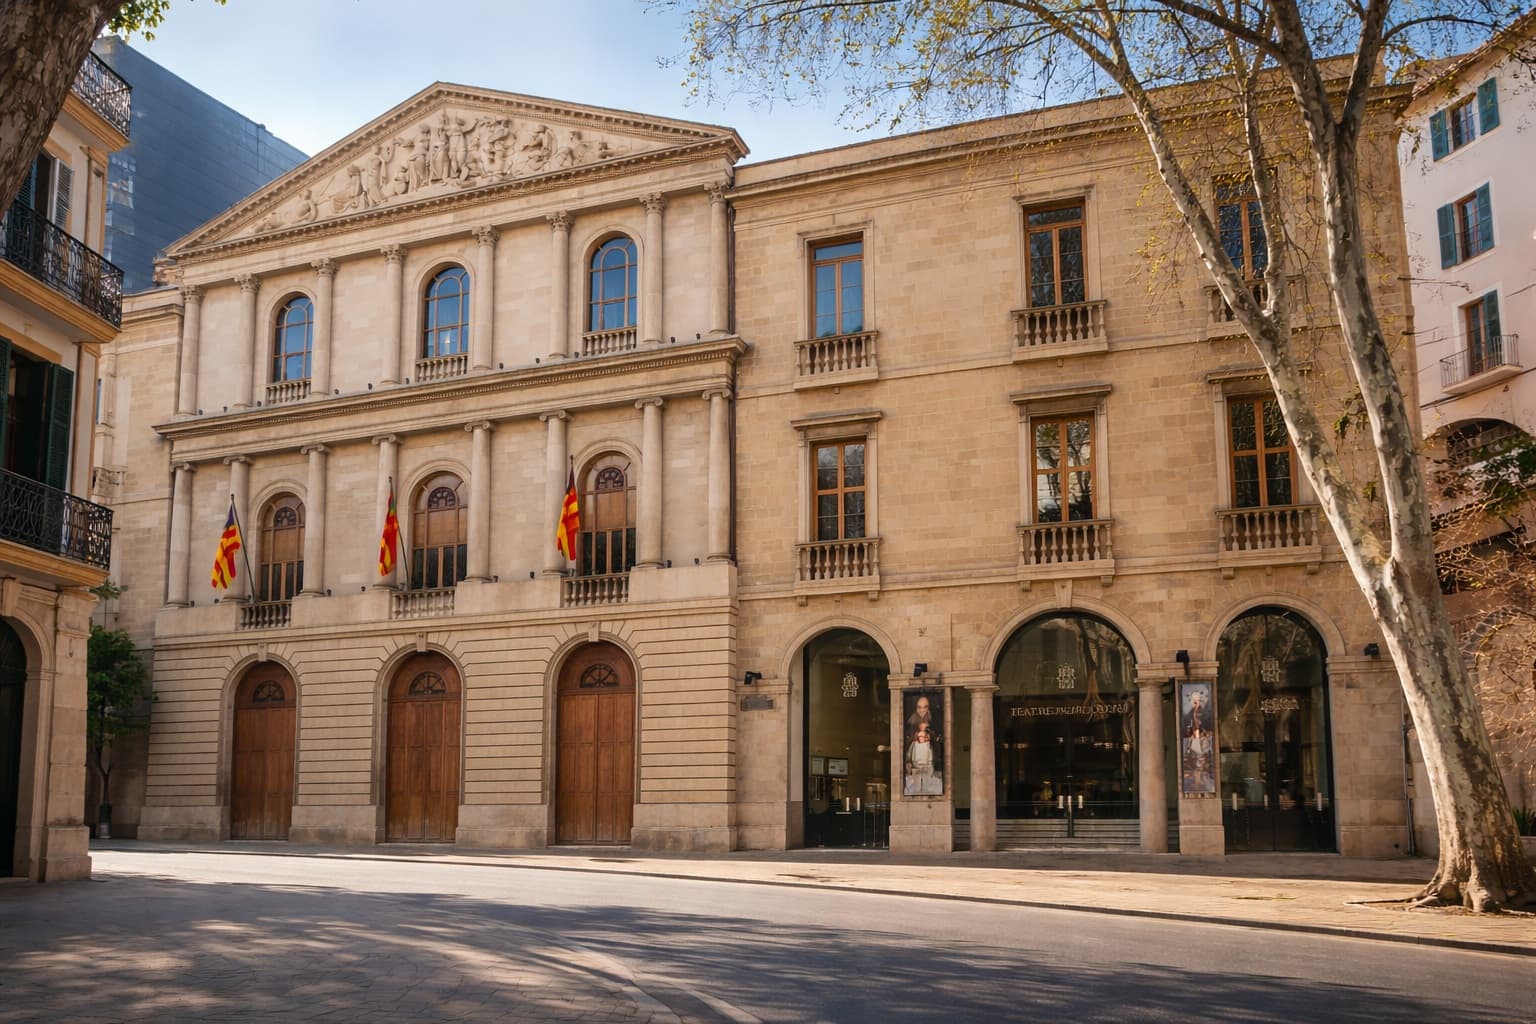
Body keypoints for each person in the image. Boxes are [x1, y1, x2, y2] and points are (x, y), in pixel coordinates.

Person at [905, 722, 942, 796]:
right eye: (920, 736)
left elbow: (932, 757)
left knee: (926, 783)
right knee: (916, 785)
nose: (921, 738)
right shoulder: (914, 744)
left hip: (927, 767)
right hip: (916, 767)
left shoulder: (929, 746)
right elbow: (909, 755)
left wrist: (930, 765)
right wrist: (909, 763)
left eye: (923, 736)